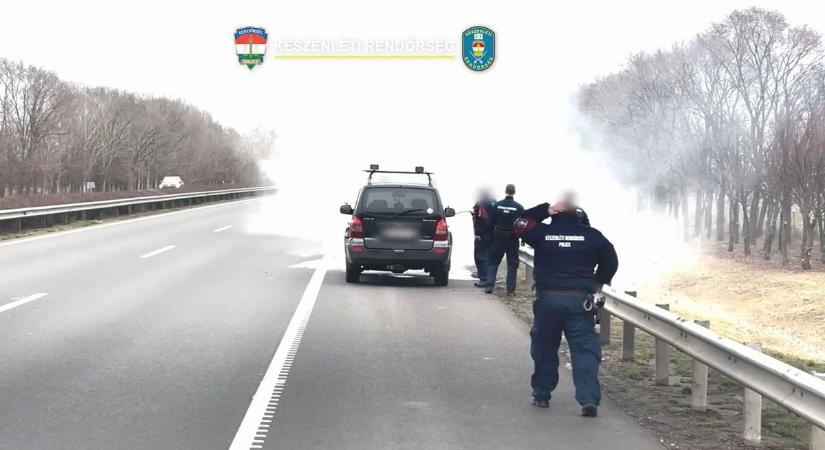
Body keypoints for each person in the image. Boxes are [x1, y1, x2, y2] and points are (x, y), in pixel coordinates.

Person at [513, 201, 618, 418]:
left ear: (556, 216)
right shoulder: (593, 236)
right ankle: (588, 399)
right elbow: (611, 260)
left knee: (544, 349)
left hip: (548, 301)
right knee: (584, 351)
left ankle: (542, 394)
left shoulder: (543, 232)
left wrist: (544, 210)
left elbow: (518, 223)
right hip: (580, 301)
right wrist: (598, 281)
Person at [482, 184, 524, 295]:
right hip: (512, 238)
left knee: (493, 261)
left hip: (498, 237)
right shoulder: (519, 207)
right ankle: (510, 290)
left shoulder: (497, 205)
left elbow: (490, 222)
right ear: (514, 192)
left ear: (505, 191)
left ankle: (489, 286)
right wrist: (522, 237)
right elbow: (521, 225)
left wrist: (488, 237)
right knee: (512, 264)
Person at [471, 188, 495, 287]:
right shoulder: (495, 202)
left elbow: (481, 218)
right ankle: (490, 278)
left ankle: (484, 279)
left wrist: (477, 233)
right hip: (493, 234)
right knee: (490, 257)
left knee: (480, 257)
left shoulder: (480, 203)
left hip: (482, 234)